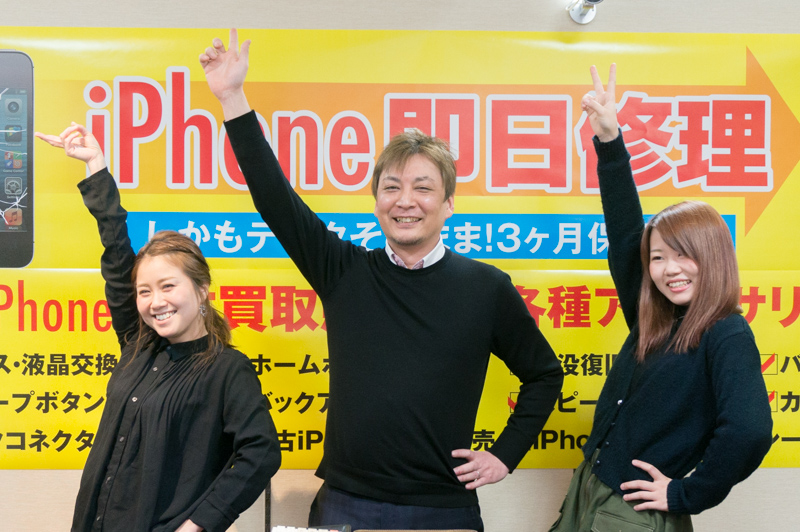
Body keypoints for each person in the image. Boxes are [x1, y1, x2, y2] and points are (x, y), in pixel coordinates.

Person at [199, 29, 564, 531]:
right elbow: (274, 199)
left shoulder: (486, 287)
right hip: (347, 501)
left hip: (444, 508)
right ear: (376, 202)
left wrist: (505, 454)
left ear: (448, 204)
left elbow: (544, 375)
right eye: (391, 187)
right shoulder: (343, 270)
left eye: (422, 188)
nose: (405, 200)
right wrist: (232, 99)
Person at [549, 64, 773, 532]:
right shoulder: (653, 317)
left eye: (683, 255)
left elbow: (750, 431)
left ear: (712, 257)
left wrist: (686, 493)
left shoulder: (726, 332)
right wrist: (609, 140)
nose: (669, 269)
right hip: (591, 487)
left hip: (631, 512)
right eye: (658, 257)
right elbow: (625, 232)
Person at [36, 124, 282, 532]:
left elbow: (262, 452)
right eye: (144, 291)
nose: (156, 302)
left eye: (168, 286)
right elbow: (117, 257)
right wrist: (96, 167)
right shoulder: (138, 344)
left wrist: (200, 523)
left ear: (201, 290)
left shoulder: (226, 369)